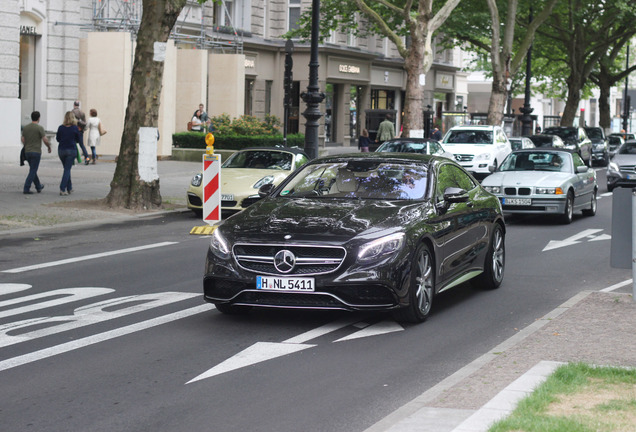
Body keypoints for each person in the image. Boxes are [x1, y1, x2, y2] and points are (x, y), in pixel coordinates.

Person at [21, 111, 51, 194]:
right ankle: (26, 188)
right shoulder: (39, 128)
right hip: (36, 151)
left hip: (27, 151)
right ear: (39, 118)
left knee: (32, 169)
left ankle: (38, 186)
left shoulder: (26, 127)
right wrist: (48, 147)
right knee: (33, 170)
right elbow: (45, 139)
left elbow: (22, 139)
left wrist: (26, 145)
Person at [56, 111, 81, 196]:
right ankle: (62, 189)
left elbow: (58, 139)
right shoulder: (74, 128)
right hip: (71, 150)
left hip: (61, 150)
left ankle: (69, 188)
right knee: (67, 169)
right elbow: (78, 139)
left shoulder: (60, 127)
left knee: (67, 168)